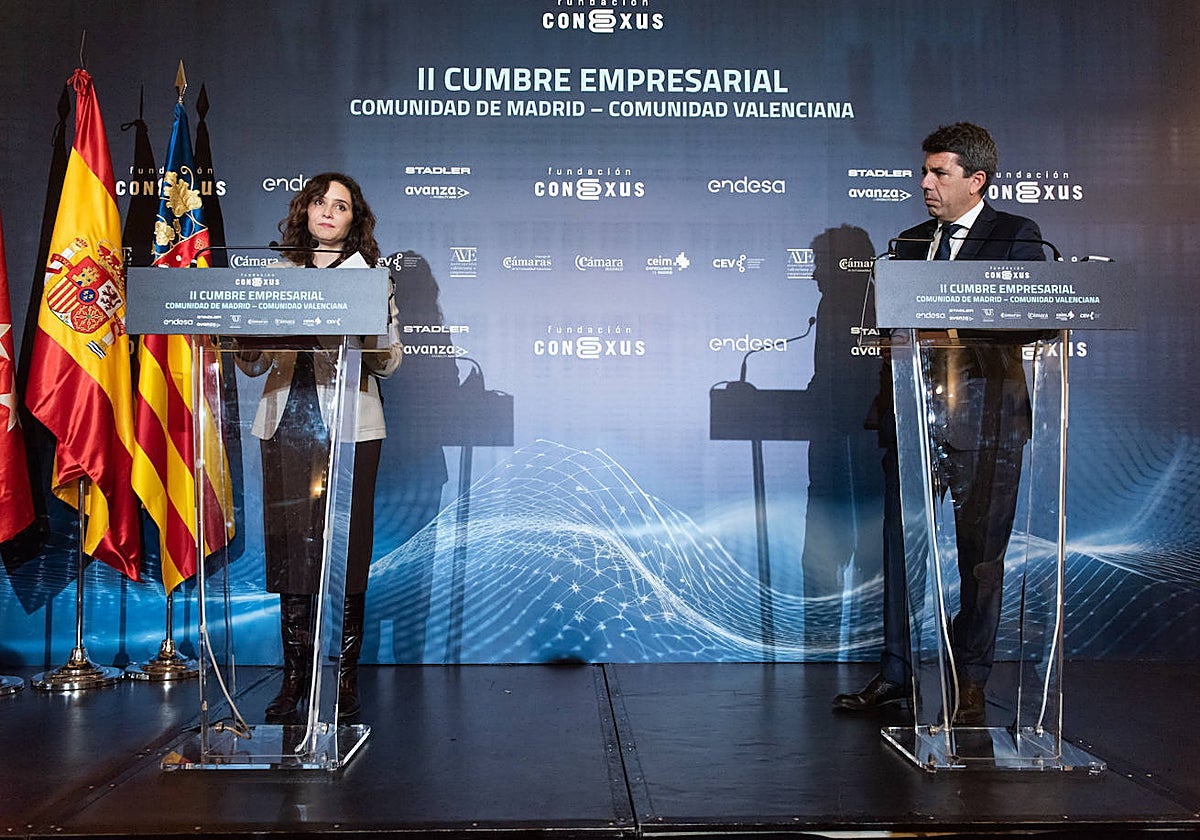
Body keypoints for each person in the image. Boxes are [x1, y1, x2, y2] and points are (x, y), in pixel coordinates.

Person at [833, 123, 1048, 725]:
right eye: (924, 172)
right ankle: (898, 674)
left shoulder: (1016, 238)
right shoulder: (907, 243)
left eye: (939, 173)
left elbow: (1027, 318)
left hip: (988, 427)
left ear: (975, 180)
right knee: (902, 553)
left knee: (981, 560)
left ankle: (970, 678)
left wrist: (948, 326)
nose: (925, 184)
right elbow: (888, 330)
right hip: (915, 421)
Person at [236, 172, 402, 724]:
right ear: (303, 211)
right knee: (290, 552)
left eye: (342, 205)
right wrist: (244, 335)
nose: (328, 212)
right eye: (319, 202)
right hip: (286, 422)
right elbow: (252, 362)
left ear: (355, 221)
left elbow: (389, 362)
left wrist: (370, 322)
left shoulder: (371, 278)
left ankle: (344, 681)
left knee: (348, 551)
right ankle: (294, 682)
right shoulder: (276, 276)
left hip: (351, 425)